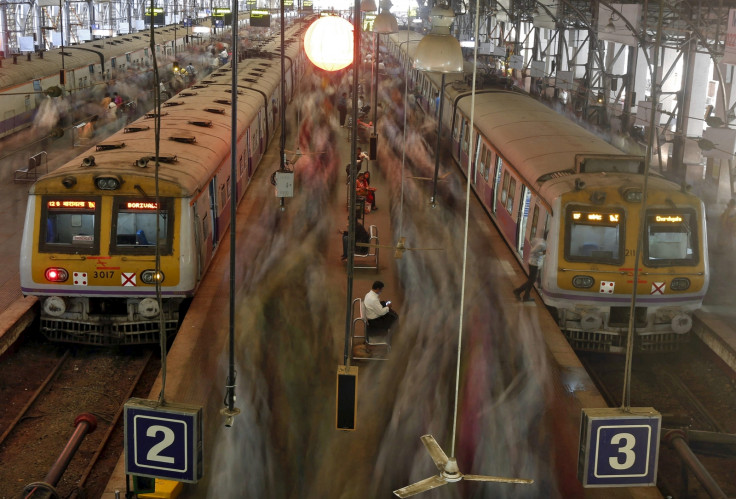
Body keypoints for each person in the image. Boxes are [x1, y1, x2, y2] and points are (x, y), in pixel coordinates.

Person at [514, 234, 547, 302]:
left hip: (532, 263)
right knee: (531, 281)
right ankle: (518, 291)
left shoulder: (540, 240)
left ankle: (526, 296)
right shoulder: (542, 245)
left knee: (531, 280)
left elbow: (532, 242)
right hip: (534, 264)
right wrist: (542, 253)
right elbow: (532, 251)